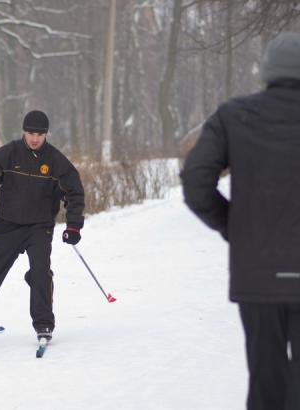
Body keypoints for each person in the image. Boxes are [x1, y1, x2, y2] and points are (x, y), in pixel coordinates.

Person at [181, 32, 300, 410]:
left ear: (266, 72)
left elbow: (196, 181)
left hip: (258, 275)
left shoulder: (234, 115)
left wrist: (233, 226)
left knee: (266, 381)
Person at [0, 110, 85, 341]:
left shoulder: (55, 160)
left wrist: (73, 226)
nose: (34, 138)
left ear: (46, 134)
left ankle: (43, 325)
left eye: (40, 134)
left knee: (41, 272)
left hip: (39, 227)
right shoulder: (9, 154)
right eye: (31, 133)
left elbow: (74, 192)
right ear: (24, 131)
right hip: (8, 226)